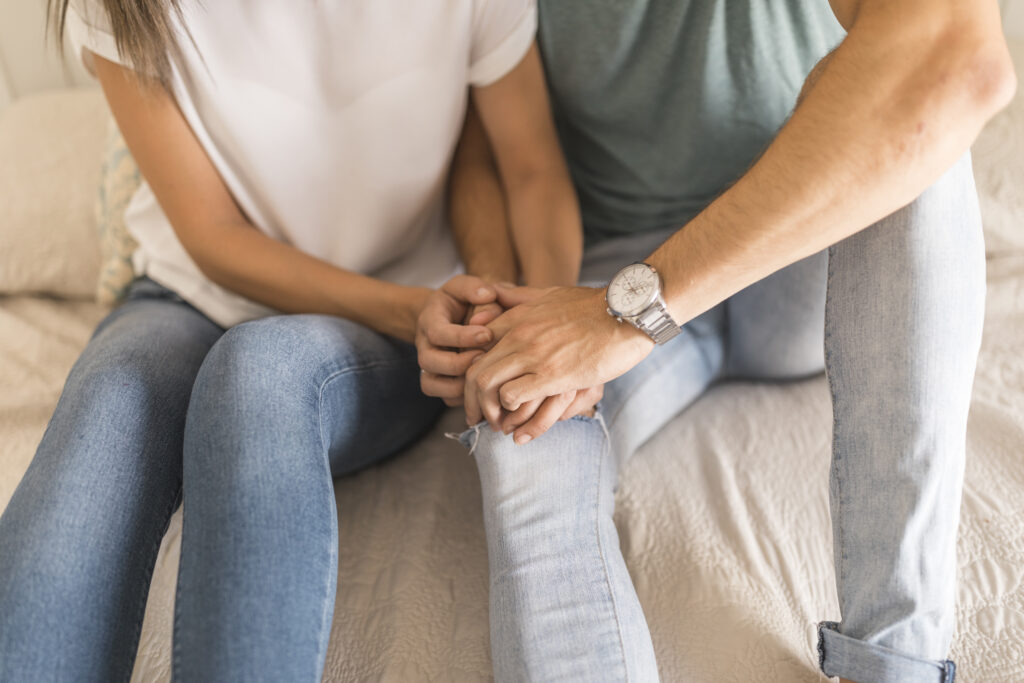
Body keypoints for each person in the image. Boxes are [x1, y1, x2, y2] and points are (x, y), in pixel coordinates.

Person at [416, 0, 1017, 681]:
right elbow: (485, 146)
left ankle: (894, 664)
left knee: (919, 115)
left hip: (796, 253)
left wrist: (626, 316)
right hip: (603, 271)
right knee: (521, 423)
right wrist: (510, 305)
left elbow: (957, 58)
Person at [0, 0, 586, 680]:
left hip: (388, 320)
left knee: (258, 373)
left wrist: (545, 324)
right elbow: (211, 235)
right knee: (106, 400)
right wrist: (411, 309)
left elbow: (531, 168)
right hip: (202, 296)